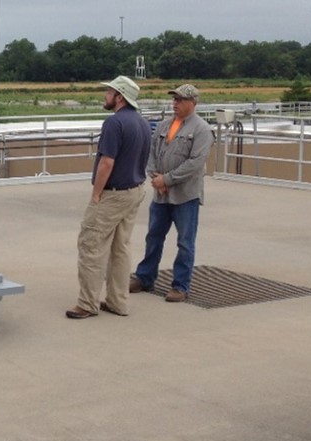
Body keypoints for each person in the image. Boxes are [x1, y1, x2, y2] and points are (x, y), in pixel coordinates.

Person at [67, 76, 151, 319]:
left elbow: (107, 162)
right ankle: (118, 301)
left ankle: (87, 303)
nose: (106, 95)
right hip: (135, 190)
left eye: (109, 92)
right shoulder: (143, 123)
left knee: (91, 245)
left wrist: (96, 194)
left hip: (113, 194)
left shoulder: (114, 124)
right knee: (120, 248)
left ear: (120, 97)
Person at [130, 84, 214, 302]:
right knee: (153, 237)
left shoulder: (202, 130)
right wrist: (155, 177)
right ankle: (145, 277)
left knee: (185, 242)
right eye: (174, 99)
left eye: (180, 100)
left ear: (193, 103)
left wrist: (167, 179)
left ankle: (180, 285)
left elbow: (195, 163)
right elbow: (151, 153)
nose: (175, 104)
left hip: (186, 196)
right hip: (161, 194)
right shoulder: (164, 125)